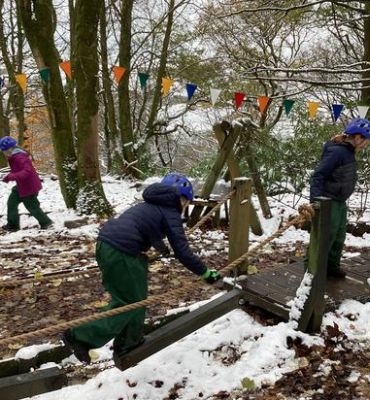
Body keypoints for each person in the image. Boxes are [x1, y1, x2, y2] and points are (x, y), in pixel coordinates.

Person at [62, 173, 220, 364]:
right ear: (181, 198)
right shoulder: (170, 211)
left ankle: (129, 342)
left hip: (108, 246)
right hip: (121, 252)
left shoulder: (151, 204)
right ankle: (79, 336)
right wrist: (205, 272)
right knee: (129, 304)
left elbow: (143, 227)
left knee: (135, 299)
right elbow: (183, 252)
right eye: (186, 201)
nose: (185, 206)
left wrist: (161, 248)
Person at [308, 117, 370, 278]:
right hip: (327, 201)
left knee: (338, 237)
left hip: (339, 201)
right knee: (324, 237)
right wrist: (316, 202)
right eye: (367, 140)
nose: (367, 144)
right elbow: (318, 175)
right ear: (358, 137)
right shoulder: (337, 152)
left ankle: (331, 268)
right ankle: (312, 273)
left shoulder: (348, 151)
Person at [0, 135, 53, 231]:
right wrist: (8, 177)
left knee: (32, 207)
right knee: (11, 203)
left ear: (9, 149)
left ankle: (46, 223)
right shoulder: (14, 156)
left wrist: (11, 176)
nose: (4, 153)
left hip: (29, 187)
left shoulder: (19, 156)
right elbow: (18, 170)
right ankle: (13, 225)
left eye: (4, 151)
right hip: (22, 186)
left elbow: (27, 171)